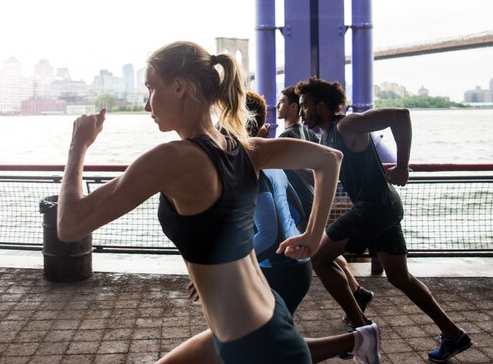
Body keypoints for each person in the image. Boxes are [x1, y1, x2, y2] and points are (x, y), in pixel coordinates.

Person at [57, 41, 373, 364]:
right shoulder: (244, 149)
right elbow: (329, 160)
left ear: (179, 87)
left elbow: (70, 225)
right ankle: (361, 340)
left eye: (151, 88)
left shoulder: (172, 160)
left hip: (252, 345)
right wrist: (311, 237)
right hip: (263, 317)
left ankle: (361, 340)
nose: (146, 104)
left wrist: (77, 146)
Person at [156, 90, 381, 364]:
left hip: (280, 269)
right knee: (264, 346)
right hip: (291, 267)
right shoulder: (268, 160)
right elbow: (295, 206)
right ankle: (360, 339)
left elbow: (269, 233)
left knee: (261, 347)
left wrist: (221, 271)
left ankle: (360, 339)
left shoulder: (247, 167)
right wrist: (304, 235)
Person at [296, 76, 473, 363]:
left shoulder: (346, 124)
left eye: (304, 106)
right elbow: (320, 178)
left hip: (374, 208)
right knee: (399, 277)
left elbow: (400, 116)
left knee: (319, 258)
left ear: (321, 105)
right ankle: (454, 335)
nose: (302, 112)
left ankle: (361, 329)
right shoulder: (326, 136)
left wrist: (402, 167)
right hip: (383, 208)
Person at [277, 86, 375, 325]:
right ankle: (358, 292)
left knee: (317, 254)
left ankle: (358, 309)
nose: (278, 106)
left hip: (299, 202)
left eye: (282, 103)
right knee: (323, 249)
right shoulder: (311, 134)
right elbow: (318, 172)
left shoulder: (288, 137)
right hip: (313, 198)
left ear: (293, 107)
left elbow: (309, 172)